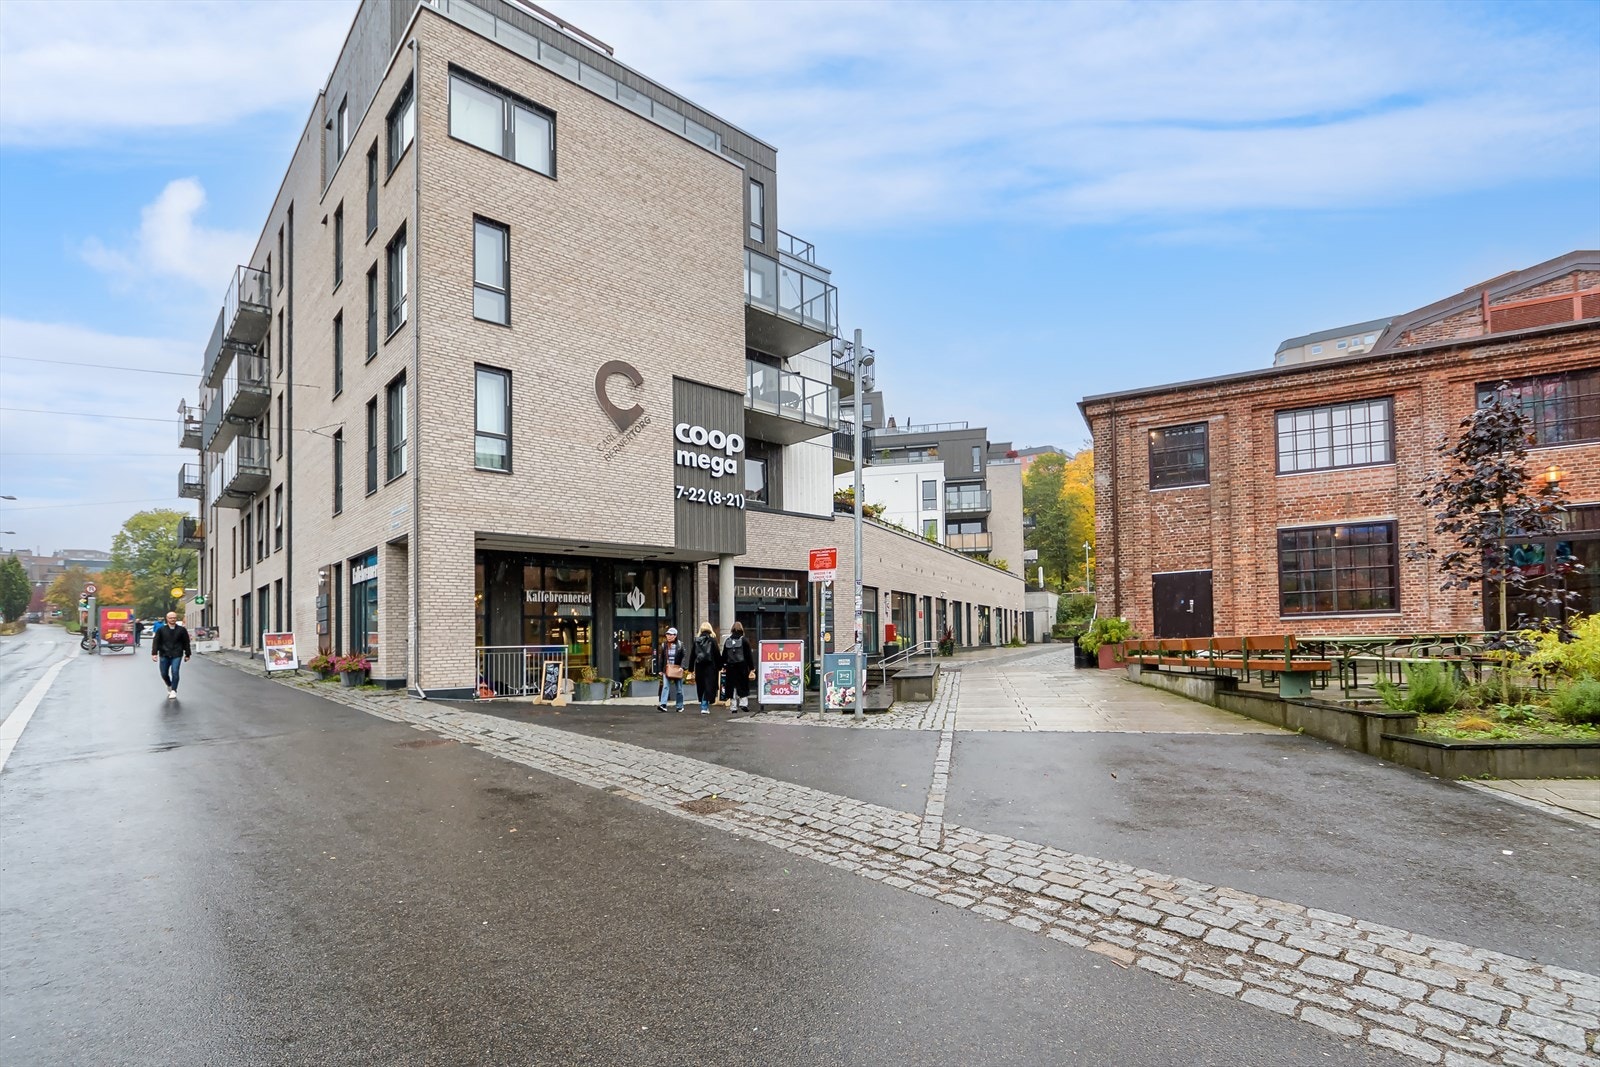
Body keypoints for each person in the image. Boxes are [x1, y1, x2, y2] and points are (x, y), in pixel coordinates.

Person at [150, 611, 192, 700]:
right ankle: (169, 685)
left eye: (174, 618)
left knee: (175, 671)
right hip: (164, 654)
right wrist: (154, 653)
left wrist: (187, 654)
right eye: (171, 618)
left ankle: (174, 690)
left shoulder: (181, 630)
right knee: (164, 673)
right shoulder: (161, 630)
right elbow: (156, 642)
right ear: (167, 619)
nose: (173, 619)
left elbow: (186, 642)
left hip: (177, 654)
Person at [721, 621, 754, 713]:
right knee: (743, 685)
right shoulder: (744, 640)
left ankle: (733, 706)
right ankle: (743, 704)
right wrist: (752, 668)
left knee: (732, 687)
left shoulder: (728, 641)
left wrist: (723, 665)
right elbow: (748, 656)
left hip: (730, 667)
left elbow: (724, 655)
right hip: (742, 666)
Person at [691, 622, 721, 714]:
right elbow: (717, 655)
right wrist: (721, 666)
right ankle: (704, 706)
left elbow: (692, 655)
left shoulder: (696, 640)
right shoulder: (712, 640)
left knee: (702, 686)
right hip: (710, 667)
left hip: (699, 666)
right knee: (709, 686)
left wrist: (690, 669)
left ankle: (704, 705)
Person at [654, 627, 686, 713]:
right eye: (667, 634)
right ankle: (663, 704)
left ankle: (680, 706)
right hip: (667, 669)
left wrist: (681, 667)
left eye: (671, 634)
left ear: (675, 635)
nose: (669, 636)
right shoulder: (664, 645)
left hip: (676, 669)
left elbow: (683, 657)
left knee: (679, 689)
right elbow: (662, 658)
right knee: (665, 686)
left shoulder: (680, 645)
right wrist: (660, 670)